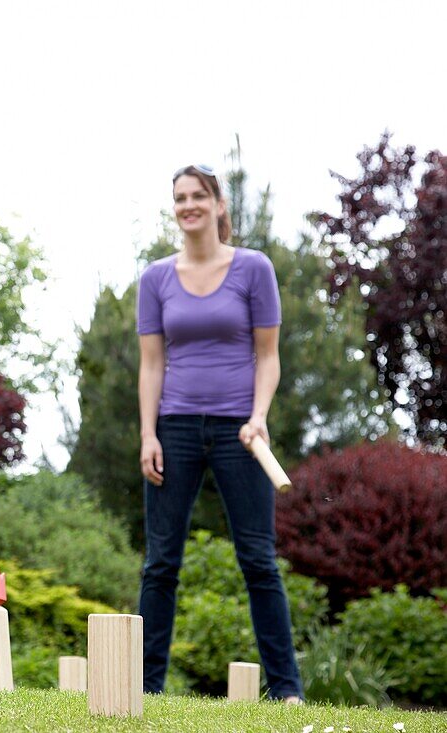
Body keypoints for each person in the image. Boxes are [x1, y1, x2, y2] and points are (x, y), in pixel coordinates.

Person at [135, 164, 303, 703]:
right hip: (176, 429)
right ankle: (146, 688)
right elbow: (152, 364)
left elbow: (268, 355)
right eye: (180, 197)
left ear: (218, 204)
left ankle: (286, 690)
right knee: (162, 562)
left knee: (258, 559)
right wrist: (148, 434)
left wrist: (258, 416)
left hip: (241, 432)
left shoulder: (254, 269)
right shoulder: (156, 278)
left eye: (198, 196)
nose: (189, 206)